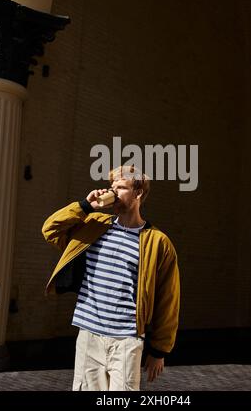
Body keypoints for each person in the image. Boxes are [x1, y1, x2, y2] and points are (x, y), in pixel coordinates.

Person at [42, 165, 180, 391]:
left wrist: (159, 351)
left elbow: (168, 299)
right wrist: (86, 206)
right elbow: (50, 229)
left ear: (138, 194)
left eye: (121, 188)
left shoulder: (158, 242)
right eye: (112, 187)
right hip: (89, 335)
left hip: (126, 340)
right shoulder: (93, 226)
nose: (113, 192)